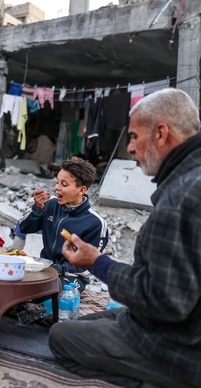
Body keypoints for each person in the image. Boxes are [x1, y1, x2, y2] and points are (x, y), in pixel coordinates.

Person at [49, 88, 201, 387]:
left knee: (61, 337)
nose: (130, 148)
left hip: (177, 344)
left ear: (161, 133)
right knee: (83, 323)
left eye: (133, 136)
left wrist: (98, 263)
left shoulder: (182, 195)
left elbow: (165, 300)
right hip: (169, 323)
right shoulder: (188, 180)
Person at [17, 156, 108, 290]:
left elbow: (90, 265)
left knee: (51, 289)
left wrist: (59, 269)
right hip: (45, 268)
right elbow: (23, 228)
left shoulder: (95, 223)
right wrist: (37, 209)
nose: (57, 188)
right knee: (15, 279)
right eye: (57, 182)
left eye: (64, 184)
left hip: (71, 277)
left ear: (81, 190)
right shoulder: (50, 205)